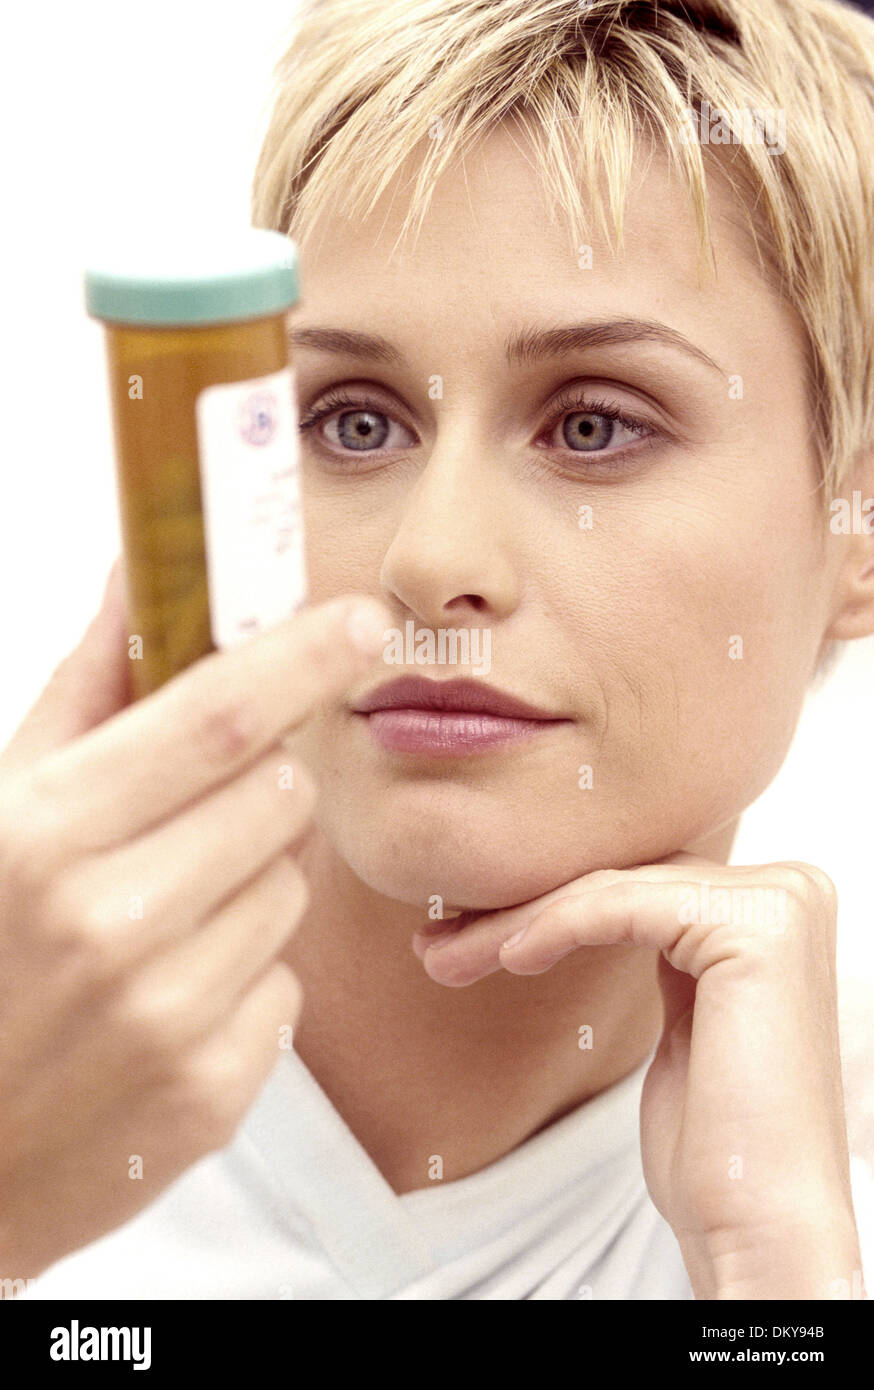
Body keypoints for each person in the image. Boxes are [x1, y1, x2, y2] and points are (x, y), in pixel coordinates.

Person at [4, 0, 874, 1300]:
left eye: (592, 426)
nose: (431, 557)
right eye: (352, 422)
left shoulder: (816, 1224)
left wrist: (778, 1285)